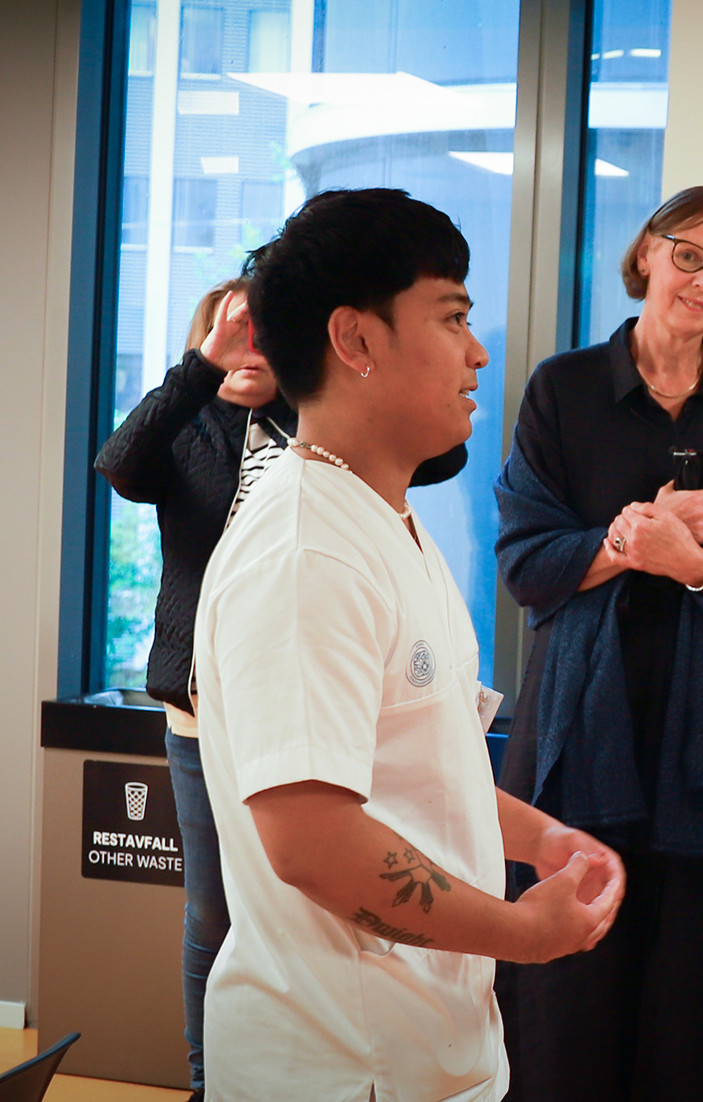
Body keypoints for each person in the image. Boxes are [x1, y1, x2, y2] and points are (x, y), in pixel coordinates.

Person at [194, 188, 625, 1102]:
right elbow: (311, 838)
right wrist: (522, 931)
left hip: (427, 1054)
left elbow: (424, 764)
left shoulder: (386, 520)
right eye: (453, 316)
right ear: (354, 341)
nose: (477, 352)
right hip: (343, 1070)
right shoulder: (305, 549)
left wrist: (544, 839)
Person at [94, 278, 466, 1098]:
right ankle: (207, 1079)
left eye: (269, 332)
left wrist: (315, 384)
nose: (251, 346)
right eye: (237, 331)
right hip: (202, 717)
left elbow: (444, 454)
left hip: (310, 711)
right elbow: (119, 465)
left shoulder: (316, 436)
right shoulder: (190, 426)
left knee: (302, 911)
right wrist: (202, 367)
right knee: (212, 916)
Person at [493, 184, 703, 1102]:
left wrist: (689, 564)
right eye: (689, 256)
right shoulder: (563, 389)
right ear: (646, 252)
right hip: (582, 728)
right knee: (572, 983)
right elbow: (525, 562)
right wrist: (638, 537)